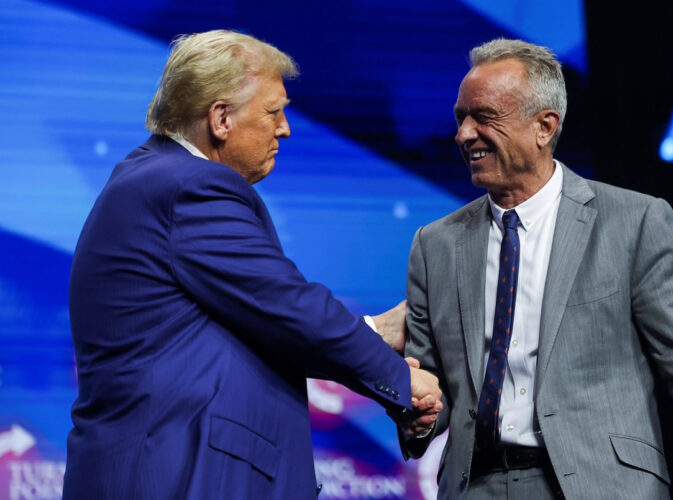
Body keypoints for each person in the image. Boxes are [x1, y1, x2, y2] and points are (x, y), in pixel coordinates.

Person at [63, 30, 442, 499]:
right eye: (273, 112)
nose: (285, 128)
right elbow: (286, 306)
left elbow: (250, 324)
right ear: (221, 118)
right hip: (175, 477)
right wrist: (401, 379)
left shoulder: (154, 179)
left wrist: (374, 331)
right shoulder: (191, 188)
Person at [399, 38, 673, 499]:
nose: (464, 134)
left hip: (604, 485)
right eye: (460, 118)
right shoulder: (435, 245)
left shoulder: (634, 222)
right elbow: (428, 384)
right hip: (476, 487)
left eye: (483, 117)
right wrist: (417, 414)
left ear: (544, 126)